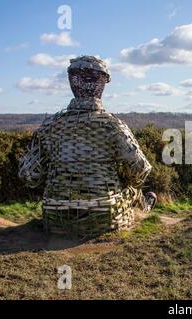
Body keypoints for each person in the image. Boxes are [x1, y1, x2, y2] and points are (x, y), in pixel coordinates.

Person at [19, 55, 157, 237]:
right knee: (134, 191)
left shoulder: (50, 126)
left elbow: (28, 175)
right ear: (102, 83)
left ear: (72, 82)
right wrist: (124, 178)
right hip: (105, 214)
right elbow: (141, 169)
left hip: (56, 214)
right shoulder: (113, 125)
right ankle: (145, 206)